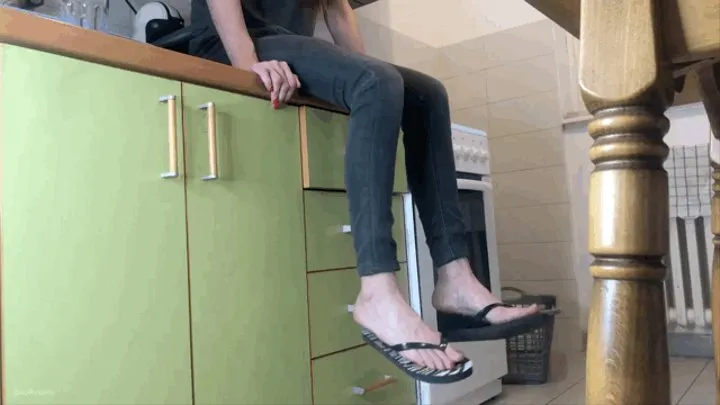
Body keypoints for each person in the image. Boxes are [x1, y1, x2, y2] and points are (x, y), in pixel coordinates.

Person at [189, 0, 542, 383]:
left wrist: (374, 84)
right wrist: (245, 64)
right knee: (377, 82)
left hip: (285, 44)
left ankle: (455, 276)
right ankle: (376, 292)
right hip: (234, 42)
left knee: (426, 94)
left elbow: (337, 9)